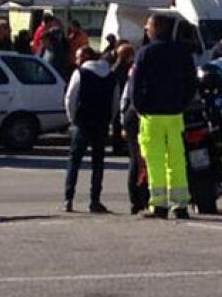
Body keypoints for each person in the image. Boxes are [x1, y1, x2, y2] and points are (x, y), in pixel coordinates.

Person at [132, 14, 197, 219]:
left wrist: (139, 107)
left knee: (155, 160)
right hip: (175, 114)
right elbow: (191, 82)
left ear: (157, 28)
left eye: (148, 27)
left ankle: (158, 204)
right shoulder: (182, 52)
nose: (146, 30)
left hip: (152, 115)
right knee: (177, 159)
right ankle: (180, 204)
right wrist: (183, 104)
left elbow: (136, 84)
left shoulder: (145, 53)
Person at [62, 47, 116, 213]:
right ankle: (95, 200)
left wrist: (72, 118)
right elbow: (115, 100)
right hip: (101, 123)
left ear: (85, 57)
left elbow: (70, 97)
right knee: (98, 162)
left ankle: (68, 198)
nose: (76, 61)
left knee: (74, 161)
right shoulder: (110, 75)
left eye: (78, 57)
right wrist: (110, 119)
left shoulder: (80, 73)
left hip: (83, 122)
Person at [115, 44, 148, 214]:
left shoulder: (135, 71)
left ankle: (139, 199)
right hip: (137, 117)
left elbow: (124, 99)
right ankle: (137, 199)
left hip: (135, 116)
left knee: (138, 160)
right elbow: (126, 98)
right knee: (138, 160)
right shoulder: (135, 72)